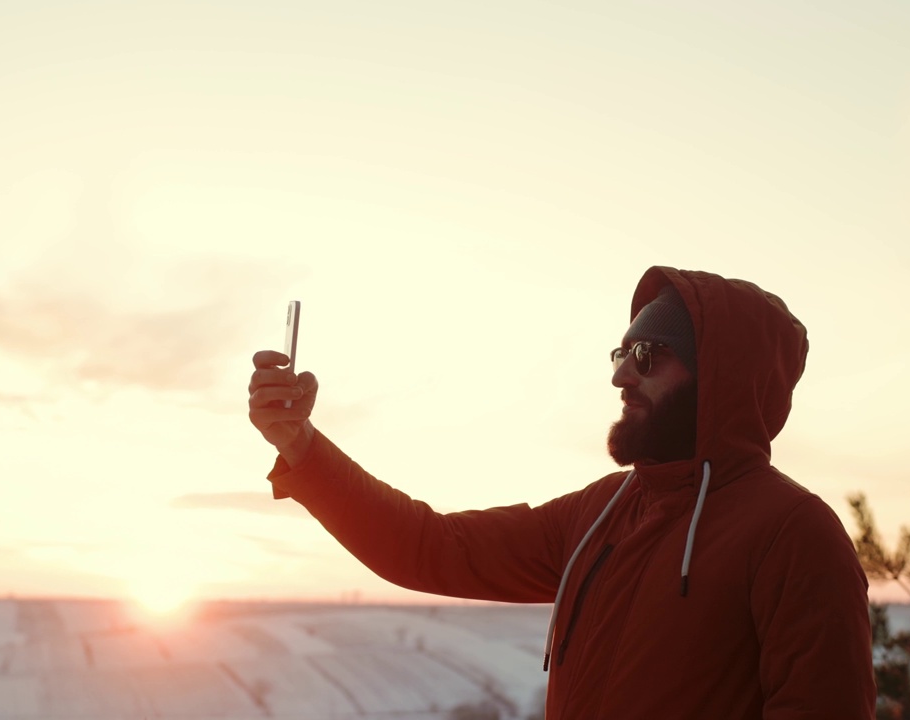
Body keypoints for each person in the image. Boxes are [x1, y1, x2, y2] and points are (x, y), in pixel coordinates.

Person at [247, 267, 876, 719]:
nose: (620, 375)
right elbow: (431, 547)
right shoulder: (600, 512)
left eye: (649, 354)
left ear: (720, 375)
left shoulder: (793, 532)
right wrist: (302, 446)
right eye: (622, 352)